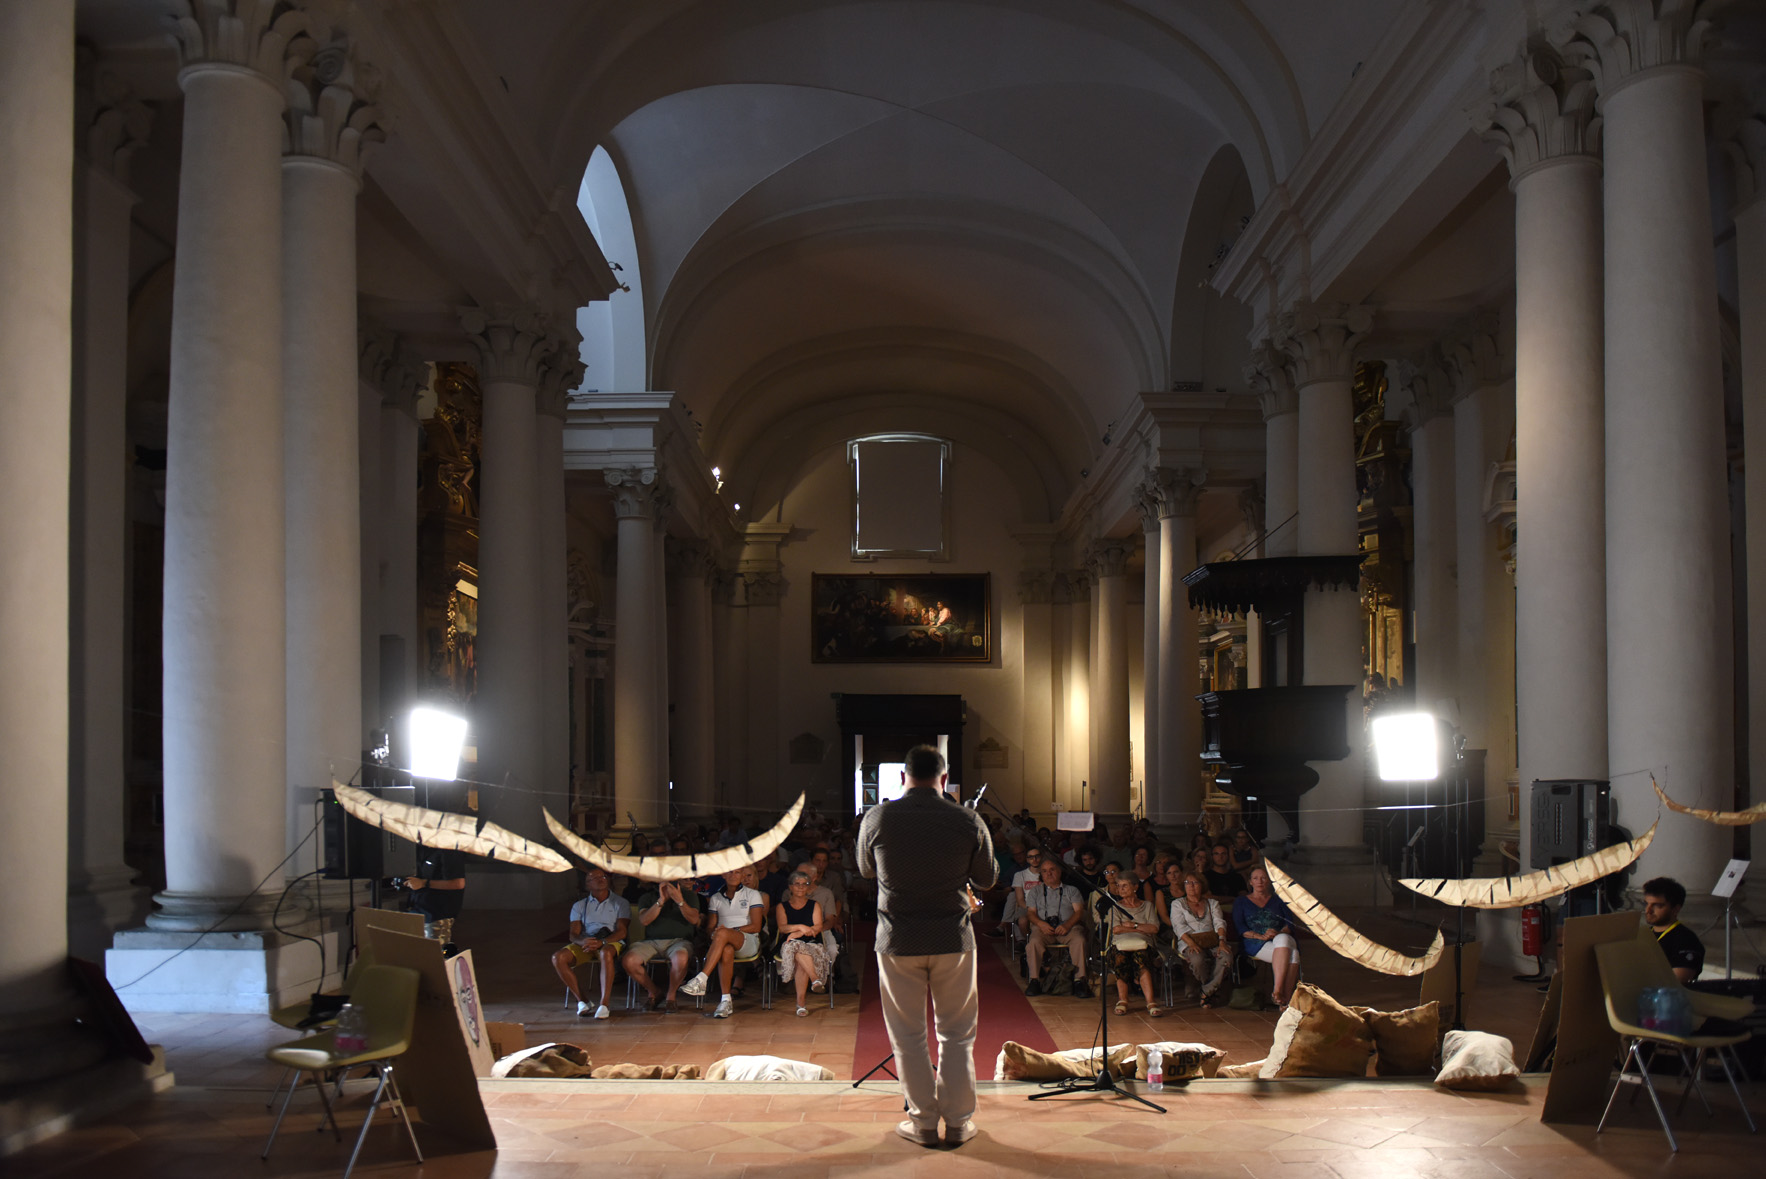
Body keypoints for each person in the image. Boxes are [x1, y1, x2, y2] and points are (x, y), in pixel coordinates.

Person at [856, 744, 997, 1148]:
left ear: (903, 777)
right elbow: (987, 879)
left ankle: (921, 1123)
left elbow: (866, 868)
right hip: (952, 937)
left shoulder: (878, 816)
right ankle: (957, 1123)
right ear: (945, 779)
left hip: (898, 938)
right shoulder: (966, 818)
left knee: (908, 1037)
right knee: (956, 1035)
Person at [679, 868, 765, 1018]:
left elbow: (756, 926)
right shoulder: (716, 898)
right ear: (723, 875)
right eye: (730, 872)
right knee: (726, 949)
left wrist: (730, 931)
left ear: (743, 875)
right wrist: (715, 934)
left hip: (748, 941)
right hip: (723, 942)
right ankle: (726, 1001)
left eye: (738, 872)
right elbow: (710, 928)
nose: (733, 876)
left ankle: (702, 978)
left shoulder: (753, 894)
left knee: (723, 933)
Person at [552, 868, 631, 1019]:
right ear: (587, 885)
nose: (601, 879)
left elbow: (622, 931)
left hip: (610, 940)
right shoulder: (579, 905)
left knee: (605, 952)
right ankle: (583, 1001)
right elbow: (573, 934)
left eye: (603, 876)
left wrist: (602, 942)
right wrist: (584, 941)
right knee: (558, 957)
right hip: (588, 941)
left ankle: (604, 1004)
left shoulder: (620, 902)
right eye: (595, 878)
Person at [623, 878, 699, 1013]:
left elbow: (693, 919)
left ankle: (671, 996)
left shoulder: (689, 896)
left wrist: (679, 901)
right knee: (629, 960)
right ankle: (654, 992)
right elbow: (644, 920)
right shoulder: (647, 897)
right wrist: (661, 900)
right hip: (651, 942)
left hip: (679, 941)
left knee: (681, 958)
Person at [1233, 866, 1300, 1006]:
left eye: (1264, 878)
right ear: (1250, 882)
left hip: (1280, 938)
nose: (1260, 881)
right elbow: (1240, 928)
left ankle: (1277, 991)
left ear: (1269, 881)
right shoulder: (1241, 901)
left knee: (1283, 939)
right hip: (1253, 941)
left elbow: (1289, 925)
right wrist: (1260, 936)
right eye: (1255, 878)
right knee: (1293, 955)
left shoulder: (1279, 900)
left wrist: (1277, 933)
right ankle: (1285, 1000)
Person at [1023, 857, 1089, 999]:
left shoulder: (1071, 890)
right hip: (1043, 928)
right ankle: (1034, 980)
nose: (1048, 874)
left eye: (1052, 870)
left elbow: (1079, 912)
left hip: (1068, 927)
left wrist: (1067, 925)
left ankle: (1079, 980)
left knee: (1079, 940)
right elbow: (1030, 913)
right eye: (1045, 871)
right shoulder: (1035, 891)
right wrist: (1041, 924)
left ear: (1060, 871)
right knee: (1033, 943)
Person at [1105, 874, 1163, 1017]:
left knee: (1141, 957)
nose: (1121, 889)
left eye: (1124, 885)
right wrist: (1142, 928)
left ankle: (1150, 1001)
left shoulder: (1147, 906)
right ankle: (1123, 1000)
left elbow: (1154, 928)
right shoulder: (1115, 907)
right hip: (1119, 945)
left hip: (1144, 946)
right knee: (1120, 957)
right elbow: (1116, 929)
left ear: (1135, 887)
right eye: (1118, 886)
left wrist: (1132, 925)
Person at [1169, 870, 1230, 1004]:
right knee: (1197, 959)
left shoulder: (1212, 903)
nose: (1191, 886)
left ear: (1202, 885)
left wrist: (1221, 941)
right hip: (1189, 940)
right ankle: (1211, 990)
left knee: (1226, 956)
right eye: (1187, 883)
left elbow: (1219, 923)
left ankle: (1206, 991)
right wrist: (1191, 943)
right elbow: (1178, 926)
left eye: (1195, 882)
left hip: (1212, 940)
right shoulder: (1177, 904)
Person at [776, 871, 832, 1015]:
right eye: (797, 884)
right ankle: (815, 979)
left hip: (811, 942)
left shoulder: (814, 905)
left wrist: (800, 933)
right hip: (789, 943)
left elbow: (818, 926)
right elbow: (783, 928)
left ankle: (801, 1004)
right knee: (794, 946)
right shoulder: (782, 907)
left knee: (799, 952)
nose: (801, 887)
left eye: (804, 884)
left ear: (808, 887)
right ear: (790, 887)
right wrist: (800, 927)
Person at [398, 845, 466, 949]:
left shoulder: (448, 849)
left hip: (436, 915)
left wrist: (424, 883)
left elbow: (458, 883)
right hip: (415, 911)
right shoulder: (418, 849)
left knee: (435, 958)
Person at [1642, 876, 1704, 982]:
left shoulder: (1686, 940)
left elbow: (1677, 981)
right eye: (1646, 904)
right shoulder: (1642, 934)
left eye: (1657, 905)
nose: (1648, 910)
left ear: (1675, 909)